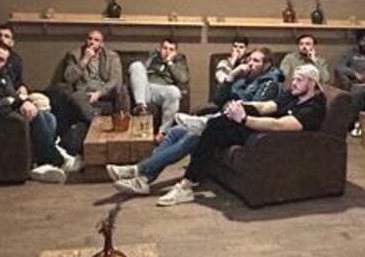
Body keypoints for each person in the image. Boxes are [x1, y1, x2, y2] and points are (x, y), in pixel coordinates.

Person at [114, 64, 328, 205]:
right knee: (182, 131)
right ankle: (153, 178)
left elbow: (279, 125)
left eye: (299, 80)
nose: (293, 83)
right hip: (257, 126)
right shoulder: (292, 94)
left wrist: (244, 118)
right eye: (294, 79)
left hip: (272, 140)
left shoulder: (313, 108)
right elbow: (267, 107)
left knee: (200, 132)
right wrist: (242, 106)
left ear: (312, 83)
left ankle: (142, 170)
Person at [0, 39, 77, 183]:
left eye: (1, 60)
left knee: (47, 116)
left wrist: (24, 102)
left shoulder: (0, 73)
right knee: (37, 118)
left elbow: (13, 95)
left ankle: (43, 161)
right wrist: (10, 102)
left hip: (1, 111)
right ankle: (53, 160)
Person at [47, 28, 127, 154]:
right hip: (84, 93)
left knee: (122, 89)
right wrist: (84, 60)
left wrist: (99, 93)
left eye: (96, 40)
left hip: (104, 92)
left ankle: (122, 129)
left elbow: (115, 81)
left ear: (102, 44)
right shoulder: (75, 55)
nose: (92, 42)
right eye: (89, 39)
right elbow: (68, 78)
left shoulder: (112, 56)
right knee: (74, 96)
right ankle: (96, 119)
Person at [128, 38, 190, 133]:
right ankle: (141, 108)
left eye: (171, 49)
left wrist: (169, 62)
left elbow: (183, 79)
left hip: (162, 91)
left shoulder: (179, 62)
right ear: (159, 49)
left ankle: (163, 132)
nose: (167, 52)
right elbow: (138, 74)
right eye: (165, 48)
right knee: (136, 65)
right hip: (145, 89)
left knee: (174, 91)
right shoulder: (152, 58)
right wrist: (153, 57)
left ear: (175, 52)